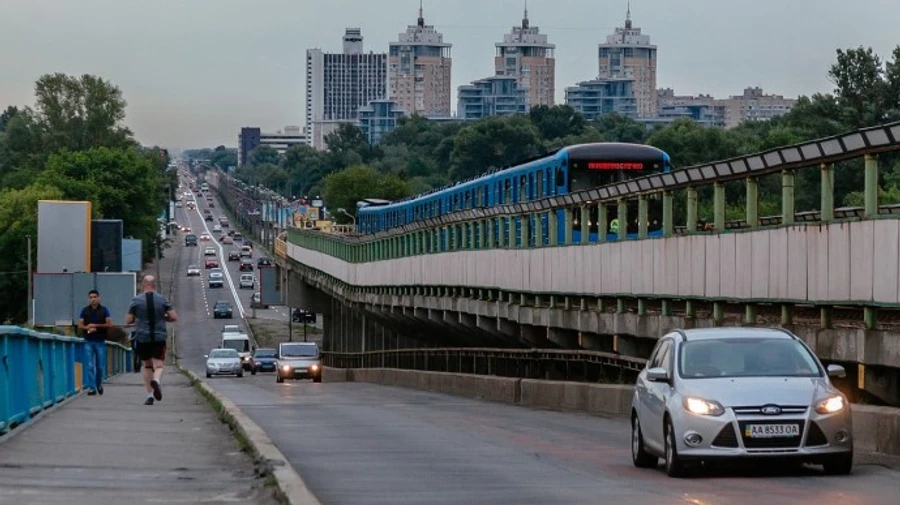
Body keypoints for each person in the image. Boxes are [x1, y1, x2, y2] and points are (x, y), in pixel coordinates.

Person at [125, 275, 177, 405]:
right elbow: (174, 317)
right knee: (158, 365)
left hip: (142, 337)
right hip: (159, 336)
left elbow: (128, 320)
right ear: (155, 285)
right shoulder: (162, 299)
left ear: (143, 285)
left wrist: (139, 318)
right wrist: (164, 317)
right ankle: (157, 381)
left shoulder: (136, 300)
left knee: (147, 366)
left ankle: (149, 396)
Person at [77, 289, 112, 395]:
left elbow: (109, 324)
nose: (93, 299)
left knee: (100, 366)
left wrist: (95, 326)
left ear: (99, 298)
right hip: (88, 340)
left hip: (100, 341)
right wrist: (87, 327)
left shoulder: (104, 310)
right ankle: (92, 388)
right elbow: (80, 325)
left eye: (95, 297)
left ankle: (99, 384)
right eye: (91, 297)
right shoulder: (84, 310)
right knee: (89, 365)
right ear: (88, 299)